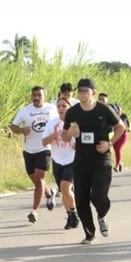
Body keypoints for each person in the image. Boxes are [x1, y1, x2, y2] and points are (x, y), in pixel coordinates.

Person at [62, 78, 125, 244]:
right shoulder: (72, 112)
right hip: (81, 160)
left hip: (101, 159)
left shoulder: (103, 109)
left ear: (93, 93)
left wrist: (110, 144)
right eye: (80, 91)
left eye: (86, 91)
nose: (82, 94)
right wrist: (70, 133)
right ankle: (89, 233)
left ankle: (102, 215)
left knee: (98, 196)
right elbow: (64, 136)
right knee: (81, 198)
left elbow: (121, 127)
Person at [10, 86, 58, 223]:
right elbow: (13, 126)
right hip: (29, 150)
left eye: (39, 95)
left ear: (45, 96)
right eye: (34, 95)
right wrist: (21, 130)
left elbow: (60, 122)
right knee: (36, 180)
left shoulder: (51, 109)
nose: (36, 97)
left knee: (40, 180)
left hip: (45, 148)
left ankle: (34, 211)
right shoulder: (25, 110)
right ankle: (49, 193)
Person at [42, 97, 79, 230]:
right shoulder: (52, 123)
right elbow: (44, 142)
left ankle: (74, 213)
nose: (61, 108)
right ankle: (70, 216)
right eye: (59, 106)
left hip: (72, 160)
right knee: (64, 192)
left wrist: (77, 145)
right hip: (57, 161)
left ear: (69, 108)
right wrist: (54, 134)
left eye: (64, 106)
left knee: (65, 187)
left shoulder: (75, 124)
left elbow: (81, 141)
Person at [112, 104, 131, 172]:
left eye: (119, 109)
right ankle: (120, 163)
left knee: (118, 149)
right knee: (115, 149)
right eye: (117, 109)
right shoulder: (114, 116)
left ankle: (117, 165)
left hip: (123, 134)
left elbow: (129, 123)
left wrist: (129, 128)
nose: (118, 110)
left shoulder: (124, 116)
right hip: (116, 135)